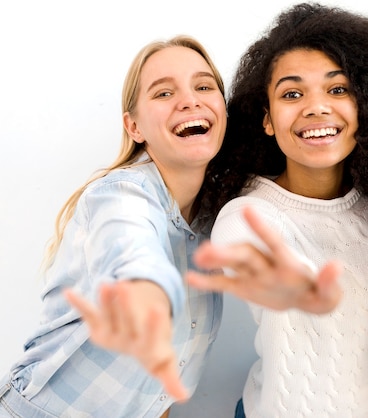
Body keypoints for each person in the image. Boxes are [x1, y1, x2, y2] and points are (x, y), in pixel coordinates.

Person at [185, 3, 368, 417]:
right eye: (292, 94)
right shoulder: (247, 215)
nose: (316, 107)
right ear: (267, 120)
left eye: (338, 89)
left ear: (366, 106)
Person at [0, 35, 227, 418]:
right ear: (134, 127)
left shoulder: (215, 219)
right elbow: (128, 246)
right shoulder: (119, 195)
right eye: (163, 93)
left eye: (204, 86)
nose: (190, 100)